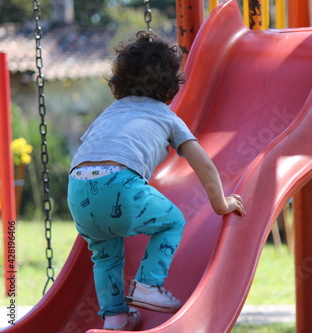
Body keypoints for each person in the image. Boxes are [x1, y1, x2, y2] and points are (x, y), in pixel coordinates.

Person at [67, 31, 246, 331]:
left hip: (77, 187)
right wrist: (221, 202)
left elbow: (95, 150)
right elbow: (201, 161)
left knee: (105, 255)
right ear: (170, 87)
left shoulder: (109, 113)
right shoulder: (166, 116)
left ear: (118, 83)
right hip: (118, 183)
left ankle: (115, 317)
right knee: (172, 220)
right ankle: (148, 285)